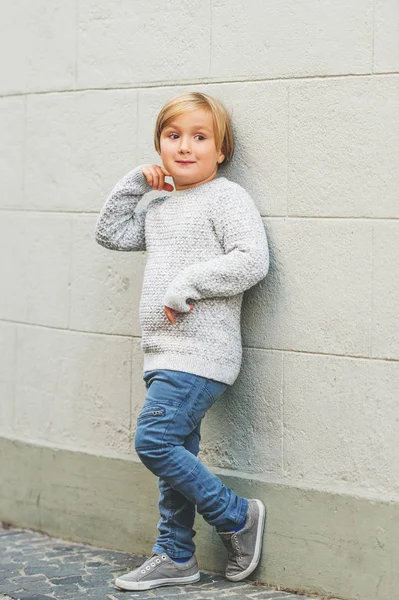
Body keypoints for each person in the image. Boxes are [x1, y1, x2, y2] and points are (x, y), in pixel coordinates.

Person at [94, 91, 270, 592]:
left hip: (201, 354)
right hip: (163, 353)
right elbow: (111, 234)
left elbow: (251, 260)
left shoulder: (227, 197)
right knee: (176, 455)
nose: (186, 147)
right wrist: (135, 184)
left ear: (221, 151)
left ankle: (236, 516)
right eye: (174, 137)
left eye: (200, 137)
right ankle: (175, 555)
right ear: (160, 146)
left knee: (153, 441)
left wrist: (186, 285)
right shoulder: (161, 207)